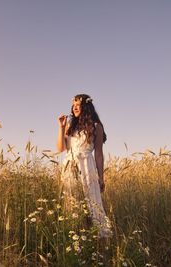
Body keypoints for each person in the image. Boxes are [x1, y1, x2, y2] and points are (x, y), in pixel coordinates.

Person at [57, 93, 112, 237]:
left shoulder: (96, 127)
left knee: (92, 203)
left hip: (87, 166)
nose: (75, 108)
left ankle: (98, 238)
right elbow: (61, 149)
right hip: (69, 166)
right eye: (73, 105)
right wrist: (61, 127)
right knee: (72, 202)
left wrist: (101, 177)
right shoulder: (70, 125)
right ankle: (75, 236)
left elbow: (98, 154)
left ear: (86, 106)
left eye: (78, 105)